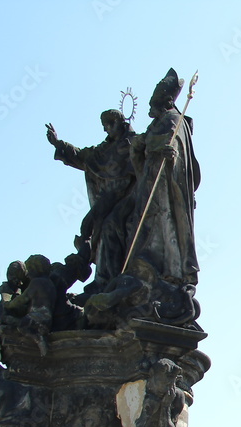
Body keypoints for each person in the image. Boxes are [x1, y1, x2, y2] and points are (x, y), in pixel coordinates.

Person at [46, 109, 137, 292]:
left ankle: (104, 276)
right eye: (104, 126)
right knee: (89, 226)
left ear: (120, 122)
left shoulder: (133, 144)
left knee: (108, 228)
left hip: (129, 197)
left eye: (109, 125)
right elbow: (82, 156)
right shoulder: (103, 150)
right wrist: (59, 144)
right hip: (109, 197)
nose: (106, 130)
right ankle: (89, 264)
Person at [128, 68, 201, 286]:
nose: (151, 108)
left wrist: (155, 147)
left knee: (166, 220)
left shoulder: (173, 119)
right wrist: (139, 147)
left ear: (167, 101)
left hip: (165, 184)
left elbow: (172, 144)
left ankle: (173, 270)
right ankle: (150, 269)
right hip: (151, 181)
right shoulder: (158, 122)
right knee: (146, 224)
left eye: (155, 102)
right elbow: (145, 146)